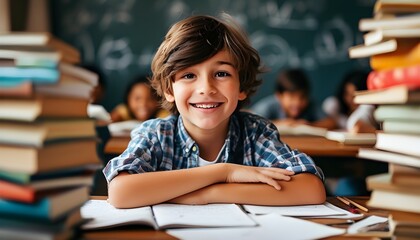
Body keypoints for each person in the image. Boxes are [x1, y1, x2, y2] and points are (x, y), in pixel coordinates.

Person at [103, 14, 325, 208]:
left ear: (242, 86)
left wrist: (208, 194)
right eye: (188, 75)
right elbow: (121, 192)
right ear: (169, 89)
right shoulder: (156, 135)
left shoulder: (255, 132)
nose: (206, 89)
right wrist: (224, 172)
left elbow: (310, 188)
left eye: (221, 74)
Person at [251, 68, 335, 129]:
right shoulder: (268, 105)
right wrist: (282, 123)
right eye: (291, 97)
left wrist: (309, 125)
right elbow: (251, 122)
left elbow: (331, 123)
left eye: (302, 97)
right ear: (279, 95)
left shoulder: (311, 105)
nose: (297, 102)